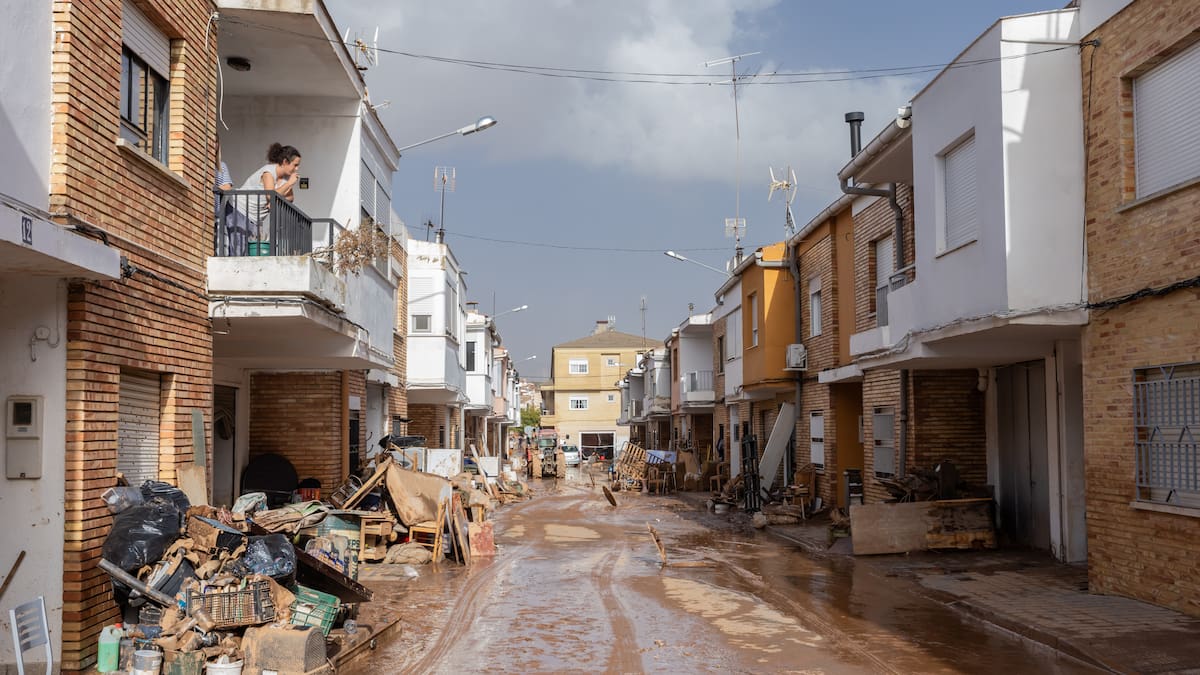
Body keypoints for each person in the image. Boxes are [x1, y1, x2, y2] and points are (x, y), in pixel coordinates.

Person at [238, 143, 302, 243]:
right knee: (239, 250)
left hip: (255, 218)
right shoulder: (269, 172)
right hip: (240, 211)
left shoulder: (286, 178)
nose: (297, 169)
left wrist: (275, 200)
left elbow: (290, 198)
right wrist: (289, 184)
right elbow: (270, 195)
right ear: (285, 162)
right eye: (295, 165)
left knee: (251, 252)